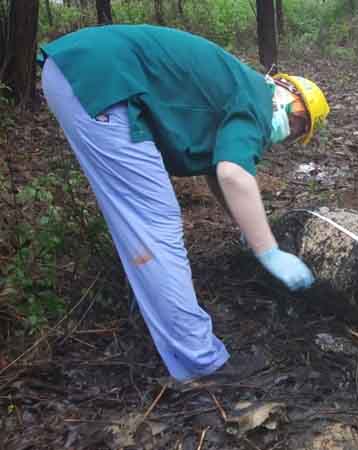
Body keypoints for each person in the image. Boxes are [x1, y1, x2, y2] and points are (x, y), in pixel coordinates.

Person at [38, 24, 330, 382]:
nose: (292, 133)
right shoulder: (258, 101)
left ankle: (156, 309)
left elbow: (214, 168)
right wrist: (269, 252)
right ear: (288, 95)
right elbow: (233, 174)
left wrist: (248, 229)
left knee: (138, 218)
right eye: (300, 124)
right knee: (154, 221)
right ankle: (203, 364)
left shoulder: (239, 88)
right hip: (102, 79)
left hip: (80, 69)